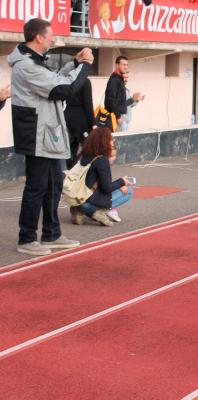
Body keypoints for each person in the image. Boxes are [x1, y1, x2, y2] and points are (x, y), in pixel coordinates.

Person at [9, 18, 93, 256]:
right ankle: (26, 238)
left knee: (54, 185)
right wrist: (86, 66)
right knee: (36, 187)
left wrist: (74, 63)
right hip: (36, 134)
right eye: (50, 35)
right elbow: (62, 89)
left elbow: (55, 78)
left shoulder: (34, 62)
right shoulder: (26, 65)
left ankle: (51, 234)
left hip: (47, 134)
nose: (53, 39)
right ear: (38, 37)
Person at [70, 127, 134, 226]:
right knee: (129, 190)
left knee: (87, 200)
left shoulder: (82, 155)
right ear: (104, 141)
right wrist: (122, 181)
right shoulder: (101, 160)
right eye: (110, 138)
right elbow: (106, 188)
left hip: (76, 197)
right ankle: (97, 211)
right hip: (88, 199)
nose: (112, 141)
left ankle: (79, 209)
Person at [64, 77, 94, 169]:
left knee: (70, 147)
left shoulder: (68, 80)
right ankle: (75, 170)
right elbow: (88, 103)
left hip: (67, 114)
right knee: (86, 147)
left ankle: (68, 170)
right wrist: (93, 122)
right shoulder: (85, 81)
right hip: (80, 118)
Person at [105, 56, 140, 130]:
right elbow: (111, 99)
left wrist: (134, 100)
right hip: (115, 118)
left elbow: (121, 102)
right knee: (118, 141)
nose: (126, 67)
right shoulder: (114, 79)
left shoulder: (119, 79)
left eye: (127, 65)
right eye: (124, 65)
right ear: (117, 65)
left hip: (120, 117)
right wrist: (118, 116)